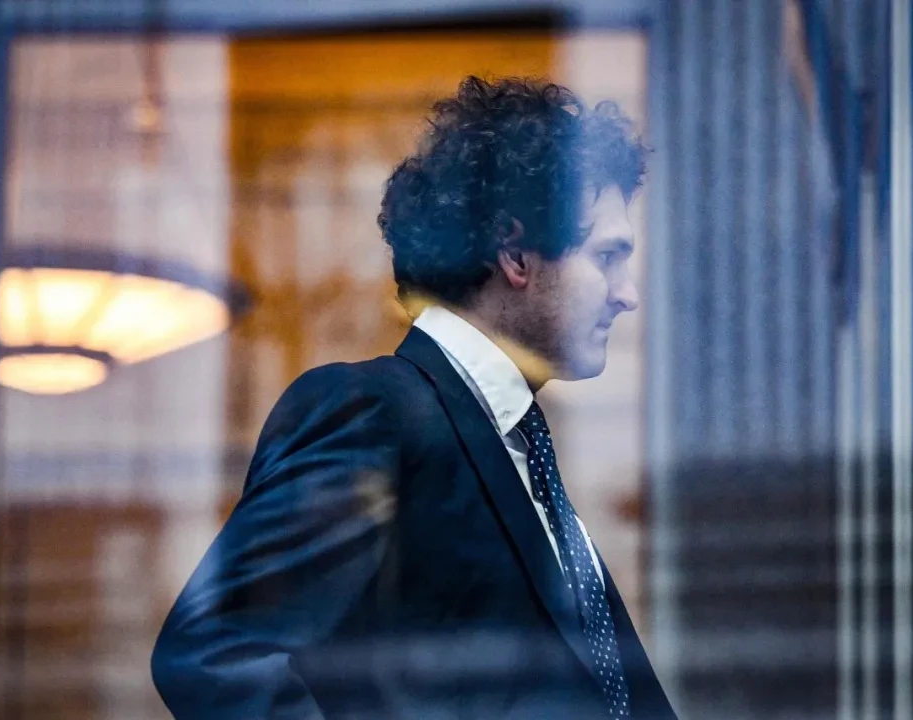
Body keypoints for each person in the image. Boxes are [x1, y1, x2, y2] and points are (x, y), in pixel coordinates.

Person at [151, 75, 677, 719]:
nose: (627, 294)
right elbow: (213, 652)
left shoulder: (520, 446)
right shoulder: (378, 411)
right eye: (608, 257)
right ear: (516, 254)